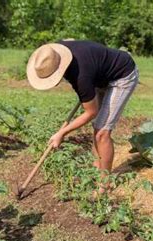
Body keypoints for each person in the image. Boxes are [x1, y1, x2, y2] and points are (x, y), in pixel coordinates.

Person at [26, 40, 139, 192]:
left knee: (102, 132)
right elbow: (73, 41)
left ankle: (104, 185)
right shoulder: (58, 51)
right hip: (100, 74)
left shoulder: (81, 77)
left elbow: (91, 112)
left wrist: (62, 133)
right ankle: (96, 171)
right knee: (97, 128)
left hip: (122, 75)